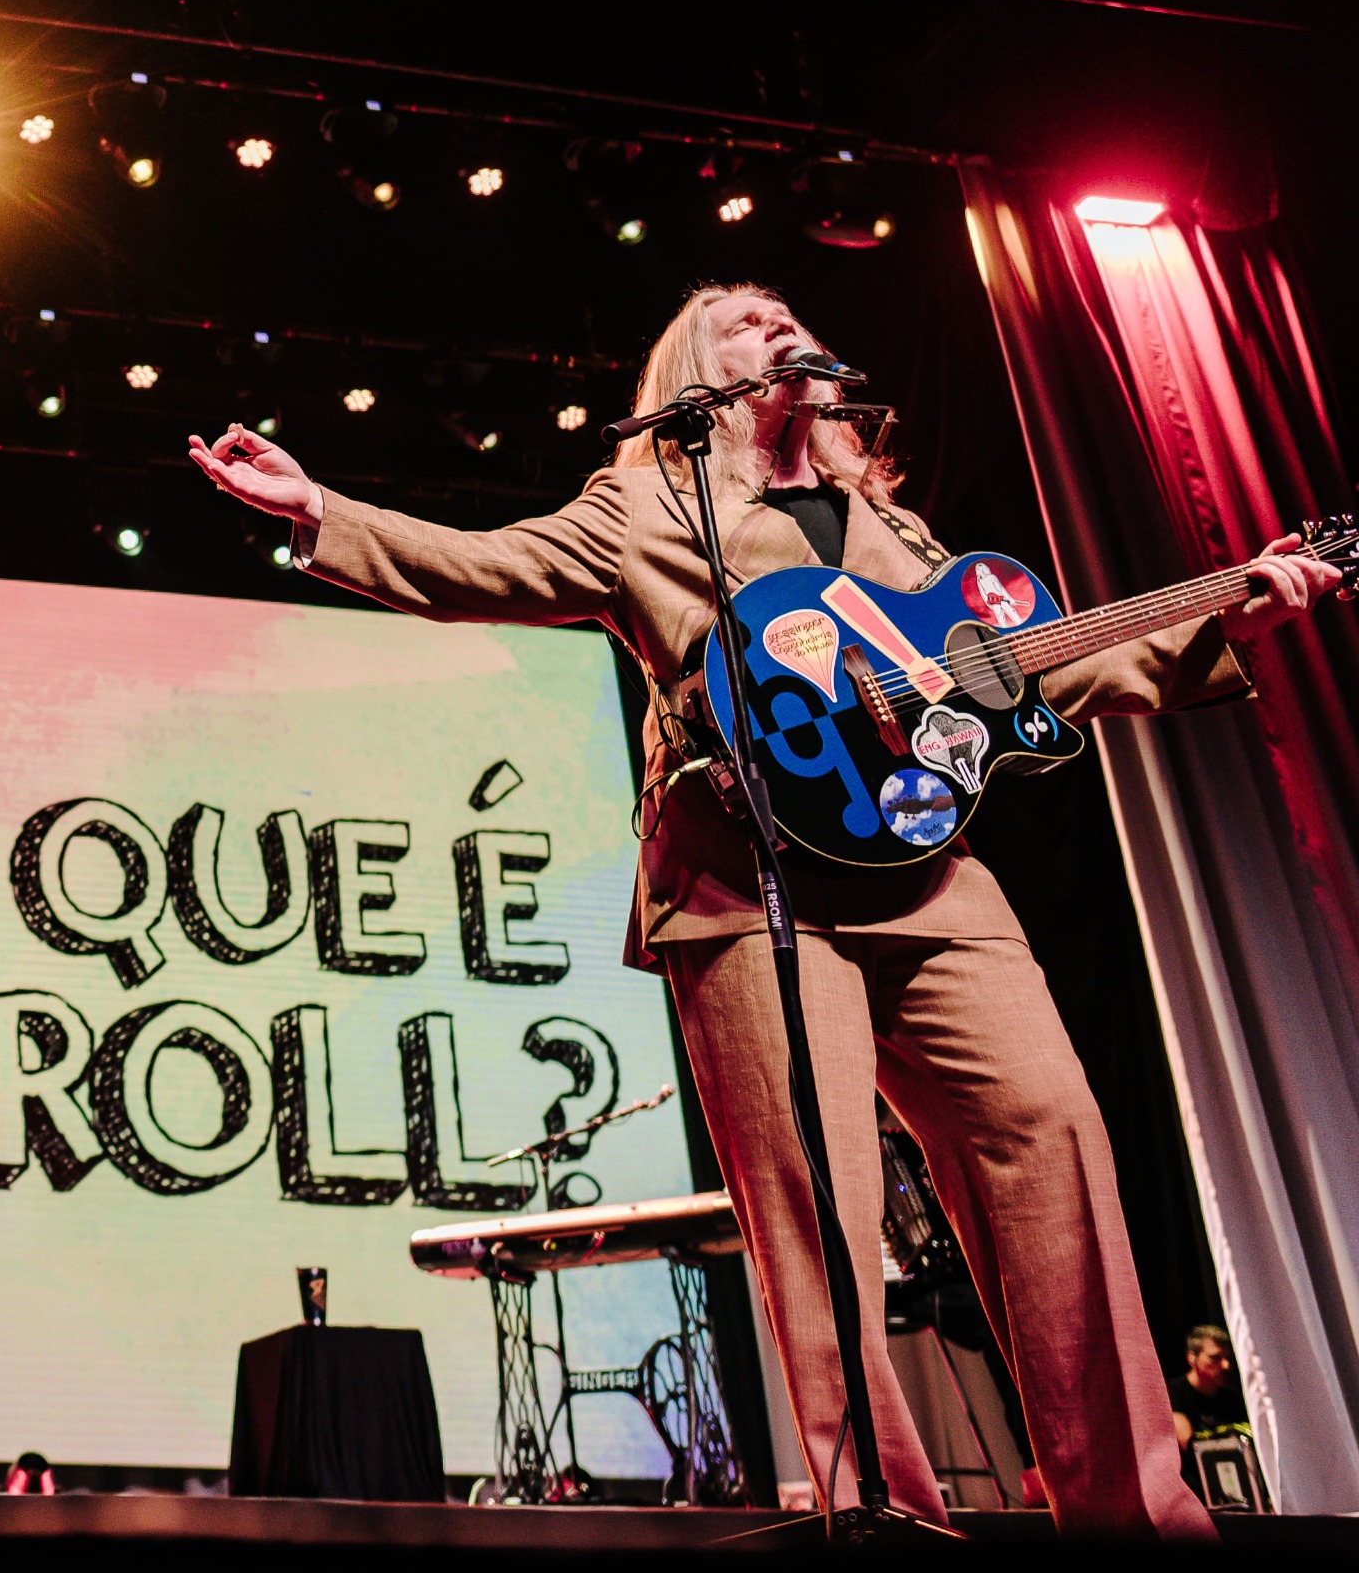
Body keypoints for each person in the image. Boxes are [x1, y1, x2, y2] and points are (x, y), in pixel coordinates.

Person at [187, 284, 1345, 1539]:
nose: (776, 326)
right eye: (742, 320)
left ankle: (1134, 1512)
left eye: (786, 310)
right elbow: (485, 567)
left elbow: (1036, 670)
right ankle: (879, 1511)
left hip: (925, 874)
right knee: (815, 1194)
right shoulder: (643, 505)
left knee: (1052, 1126)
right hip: (743, 874)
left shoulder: (893, 527)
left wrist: (1224, 611)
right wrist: (320, 513)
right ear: (696, 371)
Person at [1171, 1326, 1249, 1445]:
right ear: (1192, 1358)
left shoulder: (1233, 1398)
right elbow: (1191, 1446)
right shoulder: (1173, 1393)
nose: (1226, 1366)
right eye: (1215, 1358)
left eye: (1229, 1358)